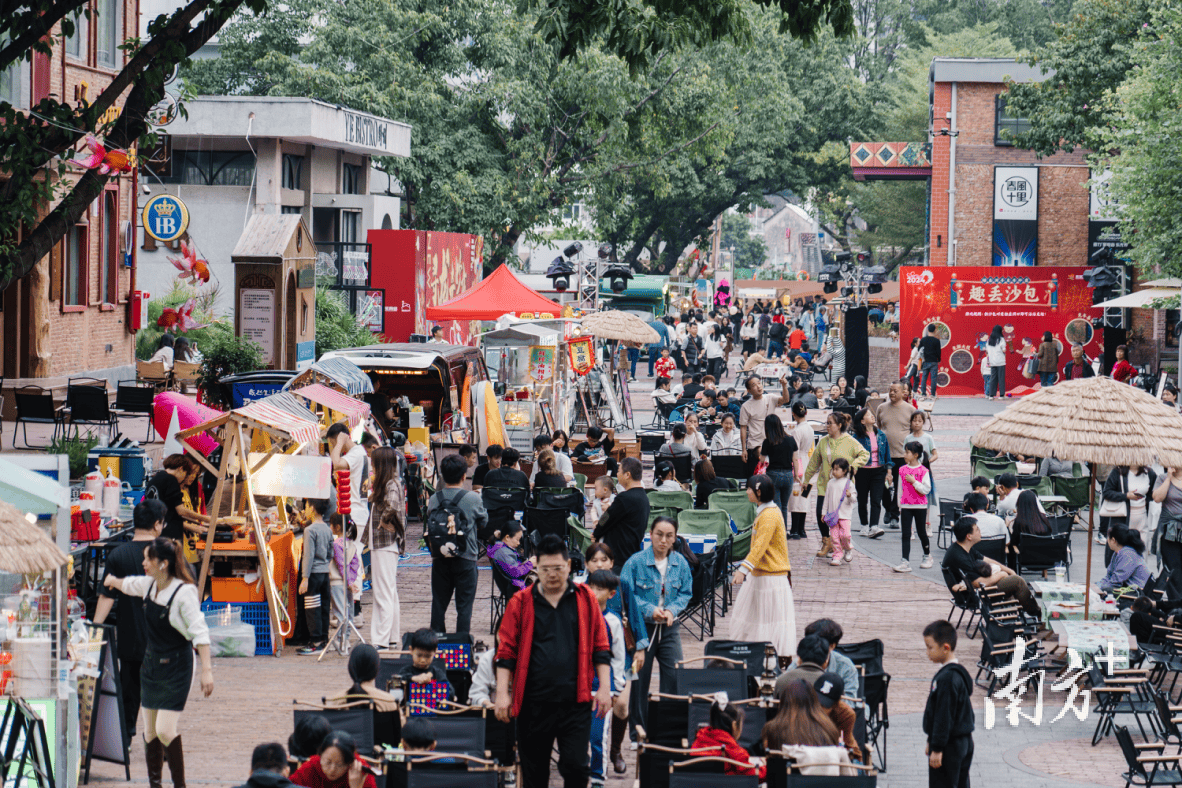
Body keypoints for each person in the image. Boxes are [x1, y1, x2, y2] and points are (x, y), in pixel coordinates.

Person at [495, 535, 612, 788]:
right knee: (534, 773)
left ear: (569, 566)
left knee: (576, 767)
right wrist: (503, 694)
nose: (551, 574)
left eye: (558, 568)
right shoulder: (521, 602)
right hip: (532, 703)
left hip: (575, 701)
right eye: (545, 569)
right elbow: (506, 652)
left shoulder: (585, 599)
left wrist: (604, 687)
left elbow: (600, 646)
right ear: (537, 567)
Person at [102, 537, 213, 788]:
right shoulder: (150, 585)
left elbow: (200, 633)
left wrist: (207, 671)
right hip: (151, 666)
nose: (142, 563)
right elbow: (128, 584)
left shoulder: (184, 592)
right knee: (149, 732)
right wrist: (111, 581)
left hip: (177, 667)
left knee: (164, 730)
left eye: (147, 559)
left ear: (163, 563)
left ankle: (179, 786)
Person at [94, 499, 167, 742]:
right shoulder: (168, 554)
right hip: (161, 639)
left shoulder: (119, 555)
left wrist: (95, 630)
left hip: (130, 636)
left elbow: (106, 596)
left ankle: (124, 738)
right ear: (157, 525)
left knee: (129, 689)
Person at [621, 516, 692, 735]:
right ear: (650, 534)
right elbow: (626, 594)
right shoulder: (635, 562)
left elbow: (686, 593)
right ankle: (637, 733)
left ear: (674, 538)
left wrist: (672, 610)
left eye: (669, 535)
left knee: (675, 677)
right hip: (641, 630)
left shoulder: (681, 563)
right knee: (637, 680)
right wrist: (649, 609)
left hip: (670, 630)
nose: (663, 540)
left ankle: (666, 732)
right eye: (659, 534)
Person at [731, 476, 796, 656]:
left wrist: (743, 570)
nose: (746, 491)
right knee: (758, 620)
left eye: (749, 488)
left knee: (767, 623)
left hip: (771, 577)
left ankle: (769, 661)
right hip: (762, 575)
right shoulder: (766, 512)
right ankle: (756, 659)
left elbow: (760, 546)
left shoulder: (769, 515)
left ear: (758, 492)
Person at [427, 454, 486, 634]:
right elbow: (483, 523)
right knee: (464, 608)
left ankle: (436, 645)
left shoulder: (434, 499)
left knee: (438, 605)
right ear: (463, 476)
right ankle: (461, 648)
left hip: (440, 556)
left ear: (442, 476)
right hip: (466, 557)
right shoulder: (473, 498)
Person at [942, 517, 1040, 617]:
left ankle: (1017, 616)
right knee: (1017, 582)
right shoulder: (959, 556)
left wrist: (1009, 570)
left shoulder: (962, 547)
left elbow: (986, 559)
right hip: (974, 595)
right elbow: (980, 583)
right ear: (969, 536)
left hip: (974, 591)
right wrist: (1002, 574)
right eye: (977, 529)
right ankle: (1037, 614)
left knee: (1011, 578)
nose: (980, 531)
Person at [803, 412, 869, 559]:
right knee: (821, 514)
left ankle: (839, 545)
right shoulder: (823, 442)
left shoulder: (849, 441)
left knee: (840, 519)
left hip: (843, 488)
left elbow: (865, 454)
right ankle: (826, 541)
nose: (827, 426)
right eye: (826, 423)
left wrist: (853, 466)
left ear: (839, 425)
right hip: (824, 485)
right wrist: (806, 480)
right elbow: (814, 463)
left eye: (830, 423)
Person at [585, 569, 629, 784]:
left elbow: (619, 658)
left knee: (597, 736)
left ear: (611, 594)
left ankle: (597, 777)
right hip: (576, 686)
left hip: (602, 688)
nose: (594, 592)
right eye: (591, 587)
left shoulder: (612, 621)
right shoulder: (577, 616)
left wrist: (616, 688)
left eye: (600, 589)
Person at [922, 620, 975, 788]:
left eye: (930, 647)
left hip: (950, 745)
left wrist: (937, 747)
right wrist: (932, 740)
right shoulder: (956, 675)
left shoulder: (947, 678)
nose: (927, 652)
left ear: (945, 648)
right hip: (963, 741)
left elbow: (944, 715)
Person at [366, 447, 404, 651]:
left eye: (374, 463)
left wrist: (384, 521)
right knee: (389, 591)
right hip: (385, 544)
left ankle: (380, 639)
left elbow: (392, 505)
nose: (372, 466)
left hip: (384, 543)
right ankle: (390, 637)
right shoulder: (390, 483)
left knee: (383, 592)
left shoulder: (391, 484)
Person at [593, 457, 649, 571]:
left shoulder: (624, 498)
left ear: (627, 475)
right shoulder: (644, 497)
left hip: (619, 559)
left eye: (618, 471)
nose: (617, 474)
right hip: (631, 553)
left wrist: (596, 533)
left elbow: (606, 518)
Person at [690, 694, 766, 778]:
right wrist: (766, 767)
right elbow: (755, 776)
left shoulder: (698, 742)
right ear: (734, 726)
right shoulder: (734, 753)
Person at [877, 383, 917, 530]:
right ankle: (887, 507)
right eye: (890, 391)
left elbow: (914, 431)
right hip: (884, 455)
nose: (892, 393)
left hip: (902, 455)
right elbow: (879, 427)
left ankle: (894, 514)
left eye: (895, 391)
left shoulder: (910, 410)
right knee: (883, 485)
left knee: (900, 486)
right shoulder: (882, 408)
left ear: (903, 393)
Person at [297, 498, 333, 654]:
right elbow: (331, 552)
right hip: (325, 574)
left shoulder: (310, 530)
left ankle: (315, 642)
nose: (305, 509)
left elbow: (308, 556)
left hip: (313, 575)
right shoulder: (327, 529)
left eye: (306, 506)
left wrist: (305, 578)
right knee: (324, 607)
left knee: (312, 608)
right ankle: (324, 639)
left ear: (312, 508)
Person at [761, 680, 840, 751]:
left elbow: (770, 757)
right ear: (815, 700)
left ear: (784, 701)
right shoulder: (829, 729)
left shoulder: (772, 729)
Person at [144, 454, 204, 545]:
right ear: (180, 469)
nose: (184, 478)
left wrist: (195, 526)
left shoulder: (156, 478)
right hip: (169, 536)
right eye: (186, 473)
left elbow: (170, 513)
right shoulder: (171, 480)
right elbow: (181, 511)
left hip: (154, 532)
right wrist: (205, 519)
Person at [740, 374, 792, 478]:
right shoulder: (746, 406)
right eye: (754, 385)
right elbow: (743, 428)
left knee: (772, 475)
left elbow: (785, 400)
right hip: (755, 444)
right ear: (749, 390)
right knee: (756, 476)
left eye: (759, 383)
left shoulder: (770, 398)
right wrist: (743, 449)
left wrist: (784, 386)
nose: (758, 386)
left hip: (772, 441)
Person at [851, 407, 889, 541]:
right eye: (869, 415)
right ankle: (864, 525)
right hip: (862, 471)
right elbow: (852, 455)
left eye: (872, 415)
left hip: (879, 470)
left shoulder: (881, 435)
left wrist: (888, 471)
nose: (873, 417)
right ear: (862, 421)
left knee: (876, 499)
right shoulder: (856, 437)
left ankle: (874, 526)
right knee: (862, 500)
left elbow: (887, 455)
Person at [290, 731, 376, 788]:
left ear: (350, 763)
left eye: (339, 765)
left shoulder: (361, 773)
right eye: (328, 762)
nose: (332, 770)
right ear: (320, 755)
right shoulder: (311, 767)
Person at [896, 441, 933, 573]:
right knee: (905, 534)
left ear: (916, 455)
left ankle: (927, 556)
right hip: (906, 505)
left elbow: (926, 489)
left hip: (920, 506)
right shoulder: (902, 470)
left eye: (907, 452)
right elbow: (899, 488)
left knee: (921, 532)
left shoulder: (924, 471)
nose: (905, 454)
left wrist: (914, 482)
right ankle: (905, 561)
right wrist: (899, 504)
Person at [331, 645, 399, 712]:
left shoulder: (338, 700)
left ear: (351, 668)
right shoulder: (388, 701)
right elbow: (400, 722)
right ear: (376, 669)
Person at [1101, 465, 1156, 545]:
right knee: (1122, 550)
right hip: (1122, 517)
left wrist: (1146, 500)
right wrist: (1126, 496)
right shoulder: (1118, 472)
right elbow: (1107, 492)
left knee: (1141, 550)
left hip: (1142, 517)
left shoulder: (1149, 473)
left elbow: (1154, 491)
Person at [761, 414, 799, 525]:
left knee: (776, 506)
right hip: (788, 475)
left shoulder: (767, 442)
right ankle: (783, 532)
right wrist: (796, 475)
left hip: (773, 474)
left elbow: (762, 460)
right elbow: (795, 459)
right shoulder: (791, 440)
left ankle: (778, 534)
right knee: (784, 506)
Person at [786, 402, 814, 540]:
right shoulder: (810, 428)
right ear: (806, 412)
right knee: (805, 496)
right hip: (807, 462)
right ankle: (802, 529)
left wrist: (796, 471)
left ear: (793, 414)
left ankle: (795, 529)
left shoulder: (797, 431)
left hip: (798, 462)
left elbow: (794, 451)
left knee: (796, 496)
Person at [327, 514, 360, 632]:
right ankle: (346, 639)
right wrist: (351, 580)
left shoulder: (336, 544)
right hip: (347, 583)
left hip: (337, 583)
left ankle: (342, 640)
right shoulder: (351, 543)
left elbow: (342, 564)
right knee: (349, 612)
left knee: (340, 613)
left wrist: (348, 582)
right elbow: (355, 564)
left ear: (337, 527)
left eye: (331, 524)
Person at [1154, 467, 1182, 600]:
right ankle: (1175, 602)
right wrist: (1169, 478)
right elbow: (1157, 498)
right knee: (1172, 567)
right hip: (1169, 529)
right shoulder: (1162, 478)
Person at [822, 459, 856, 566]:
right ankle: (837, 555)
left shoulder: (848, 483)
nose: (834, 471)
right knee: (834, 537)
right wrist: (824, 513)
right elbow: (826, 499)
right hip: (833, 516)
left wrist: (850, 495)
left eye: (837, 469)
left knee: (845, 535)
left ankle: (848, 548)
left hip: (845, 515)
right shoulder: (830, 483)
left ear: (845, 470)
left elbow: (854, 500)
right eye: (833, 469)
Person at [1097, 526, 1150, 595]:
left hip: (1137, 593)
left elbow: (1116, 581)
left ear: (1113, 540)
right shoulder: (1118, 552)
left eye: (1108, 538)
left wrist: (1099, 588)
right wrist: (1097, 586)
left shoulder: (1128, 554)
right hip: (1128, 589)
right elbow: (1109, 576)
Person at [488, 520, 533, 590]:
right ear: (507, 537)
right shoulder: (503, 552)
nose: (518, 543)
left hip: (515, 584)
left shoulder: (502, 549)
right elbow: (515, 572)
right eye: (517, 539)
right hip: (515, 587)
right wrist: (530, 564)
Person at [917, 323, 943, 399]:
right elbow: (938, 352)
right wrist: (939, 359)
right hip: (934, 361)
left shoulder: (923, 340)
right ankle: (932, 395)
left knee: (924, 377)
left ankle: (923, 394)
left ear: (927, 330)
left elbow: (919, 349)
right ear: (935, 330)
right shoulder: (937, 341)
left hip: (925, 361)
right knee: (933, 378)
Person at [984, 325, 1008, 400]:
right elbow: (1004, 350)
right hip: (1000, 361)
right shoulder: (1001, 339)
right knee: (1001, 378)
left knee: (993, 378)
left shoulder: (989, 339)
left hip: (992, 362)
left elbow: (987, 350)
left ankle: (991, 395)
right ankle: (1001, 395)